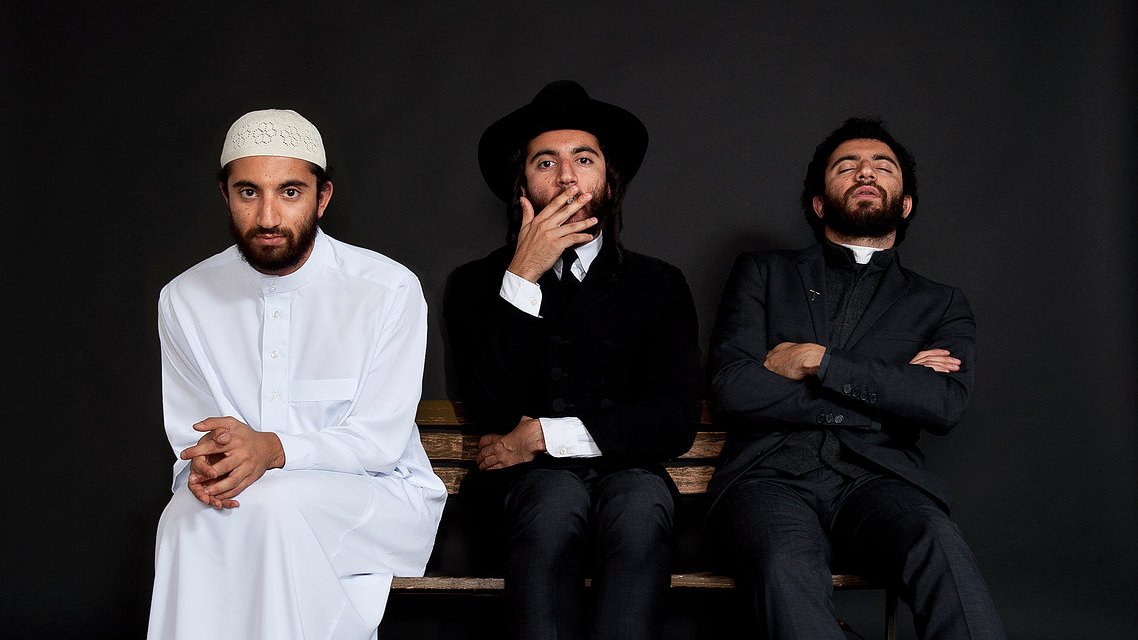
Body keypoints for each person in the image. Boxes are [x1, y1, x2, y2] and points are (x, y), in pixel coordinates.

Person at [147, 108, 446, 640]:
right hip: (247, 497)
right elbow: (193, 435)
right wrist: (209, 470)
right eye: (248, 193)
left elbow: (378, 443)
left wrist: (274, 450)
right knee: (183, 520)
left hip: (379, 497)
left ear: (321, 197)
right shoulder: (184, 298)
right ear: (225, 195)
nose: (267, 215)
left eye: (289, 192)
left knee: (273, 508)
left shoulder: (387, 289)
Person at [706, 117, 1005, 639]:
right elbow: (734, 388)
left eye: (882, 166)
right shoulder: (763, 273)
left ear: (905, 203)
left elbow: (942, 405)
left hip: (880, 481)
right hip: (768, 479)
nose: (865, 172)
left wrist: (817, 361)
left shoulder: (939, 303)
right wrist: (889, 390)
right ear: (820, 202)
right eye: (847, 167)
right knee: (785, 565)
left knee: (940, 542)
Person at [442, 80, 702, 640]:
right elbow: (490, 409)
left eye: (584, 159)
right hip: (518, 496)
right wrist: (522, 277)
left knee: (639, 500)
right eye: (546, 162)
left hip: (627, 480)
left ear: (608, 178)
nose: (566, 177)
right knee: (554, 496)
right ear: (521, 183)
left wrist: (543, 435)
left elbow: (673, 419)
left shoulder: (659, 285)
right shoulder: (473, 285)